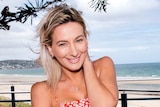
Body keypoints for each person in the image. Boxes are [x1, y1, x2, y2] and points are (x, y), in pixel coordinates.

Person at [31, 4, 118, 107]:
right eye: (63, 44)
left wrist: (86, 62)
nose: (74, 52)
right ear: (50, 49)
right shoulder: (42, 91)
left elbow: (105, 105)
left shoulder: (103, 66)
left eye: (78, 40)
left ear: (86, 39)